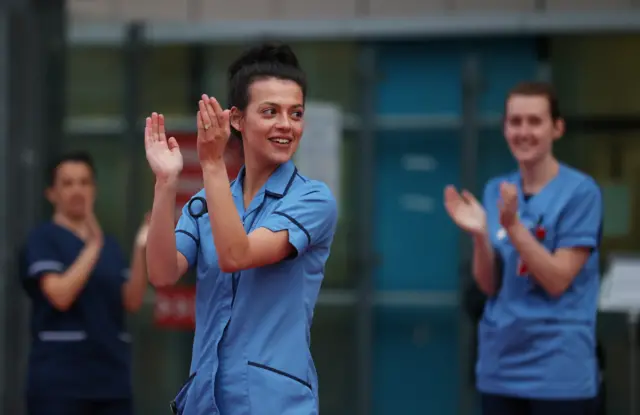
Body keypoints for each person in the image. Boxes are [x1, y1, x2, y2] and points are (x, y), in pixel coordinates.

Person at [144, 43, 338, 415]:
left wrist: (212, 163)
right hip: (206, 400)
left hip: (276, 403)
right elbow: (163, 272)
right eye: (270, 112)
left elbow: (237, 255)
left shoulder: (313, 199)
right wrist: (166, 184)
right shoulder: (206, 202)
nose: (286, 124)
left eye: (295, 113)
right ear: (237, 119)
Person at [444, 82, 603, 415]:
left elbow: (558, 279)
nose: (524, 131)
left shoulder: (581, 193)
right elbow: (489, 286)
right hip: (500, 368)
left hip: (559, 374)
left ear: (557, 128)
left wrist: (512, 225)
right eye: (515, 122)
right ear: (505, 128)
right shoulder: (496, 189)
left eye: (535, 121)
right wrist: (478, 235)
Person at [21, 151, 150, 415]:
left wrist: (141, 247)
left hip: (111, 381)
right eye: (67, 183)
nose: (77, 190)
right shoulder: (43, 239)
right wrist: (93, 246)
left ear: (94, 189)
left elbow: (132, 301)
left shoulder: (111, 247)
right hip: (60, 385)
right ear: (52, 193)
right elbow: (60, 295)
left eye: (84, 182)